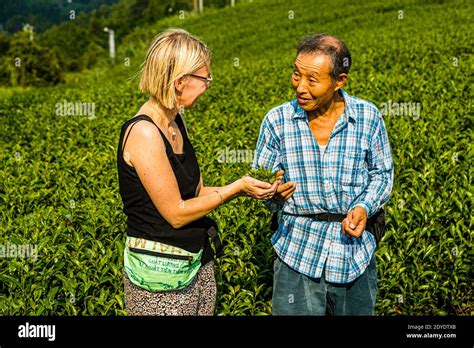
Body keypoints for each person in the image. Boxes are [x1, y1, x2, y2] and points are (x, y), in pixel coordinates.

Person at [117, 28, 283, 315]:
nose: (208, 85)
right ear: (180, 81)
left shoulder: (176, 120)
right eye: (205, 78)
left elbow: (195, 194)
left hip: (195, 262)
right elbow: (177, 212)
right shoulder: (144, 133)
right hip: (161, 279)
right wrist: (236, 189)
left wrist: (248, 188)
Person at [253, 33, 394, 315]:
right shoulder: (277, 122)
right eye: (296, 75)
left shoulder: (367, 117)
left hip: (353, 254)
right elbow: (261, 186)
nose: (300, 87)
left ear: (339, 80)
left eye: (312, 80)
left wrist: (364, 207)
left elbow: (382, 174)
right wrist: (273, 194)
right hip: (296, 252)